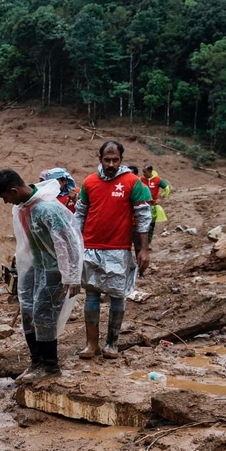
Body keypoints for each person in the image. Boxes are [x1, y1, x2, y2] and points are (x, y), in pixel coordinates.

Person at [0, 168, 84, 383]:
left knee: (44, 316)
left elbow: (69, 242)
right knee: (29, 312)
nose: (6, 203)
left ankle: (50, 365)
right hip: (36, 266)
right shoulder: (24, 208)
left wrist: (71, 276)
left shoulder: (48, 209)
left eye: (5, 197)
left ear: (14, 191)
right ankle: (36, 362)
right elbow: (27, 240)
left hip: (54, 269)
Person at [74, 141, 152, 359]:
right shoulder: (89, 182)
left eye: (115, 160)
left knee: (117, 295)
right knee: (91, 294)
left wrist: (143, 249)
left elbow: (143, 216)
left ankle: (112, 343)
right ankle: (92, 344)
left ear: (121, 159)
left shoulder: (132, 182)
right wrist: (75, 243)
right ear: (99, 158)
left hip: (118, 249)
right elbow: (80, 214)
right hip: (91, 247)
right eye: (107, 160)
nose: (110, 164)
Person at [142, 163, 172, 247]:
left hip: (152, 206)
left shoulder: (158, 179)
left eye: (145, 172)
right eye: (143, 172)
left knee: (151, 225)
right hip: (142, 205)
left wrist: (162, 197)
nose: (143, 174)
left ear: (150, 171)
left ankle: (148, 243)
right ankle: (141, 243)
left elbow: (167, 188)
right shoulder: (141, 179)